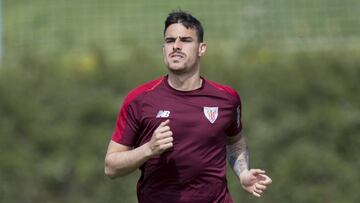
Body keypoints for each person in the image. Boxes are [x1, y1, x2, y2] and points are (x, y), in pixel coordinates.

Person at [104, 10, 272, 203]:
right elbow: (111, 167)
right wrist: (148, 149)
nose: (175, 46)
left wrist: (243, 174)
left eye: (185, 40)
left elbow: (235, 142)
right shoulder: (139, 99)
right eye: (169, 41)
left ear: (201, 48)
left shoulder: (227, 99)